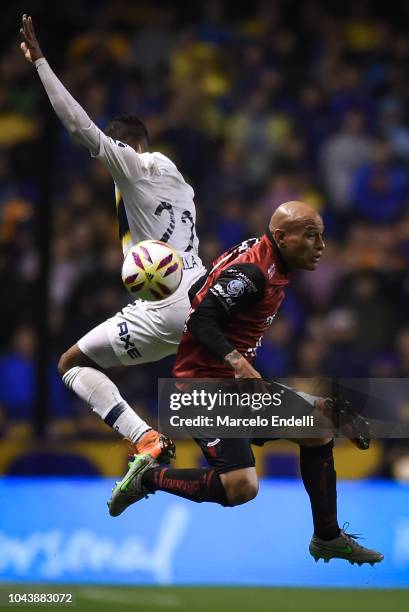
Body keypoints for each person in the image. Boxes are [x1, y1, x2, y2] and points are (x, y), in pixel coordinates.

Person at [109, 200, 383, 566]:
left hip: (234, 389)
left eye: (322, 236)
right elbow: (201, 320)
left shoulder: (265, 257)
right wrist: (235, 359)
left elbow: (199, 295)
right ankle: (149, 478)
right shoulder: (254, 274)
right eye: (311, 236)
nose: (320, 246)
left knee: (317, 428)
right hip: (202, 391)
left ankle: (327, 537)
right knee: (241, 487)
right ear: (283, 237)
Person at [19, 15, 206, 460]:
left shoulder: (134, 166)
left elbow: (80, 127)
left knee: (71, 364)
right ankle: (308, 423)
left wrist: (42, 63)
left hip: (165, 305)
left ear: (127, 145)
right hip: (203, 297)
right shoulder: (180, 182)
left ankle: (144, 437)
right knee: (222, 397)